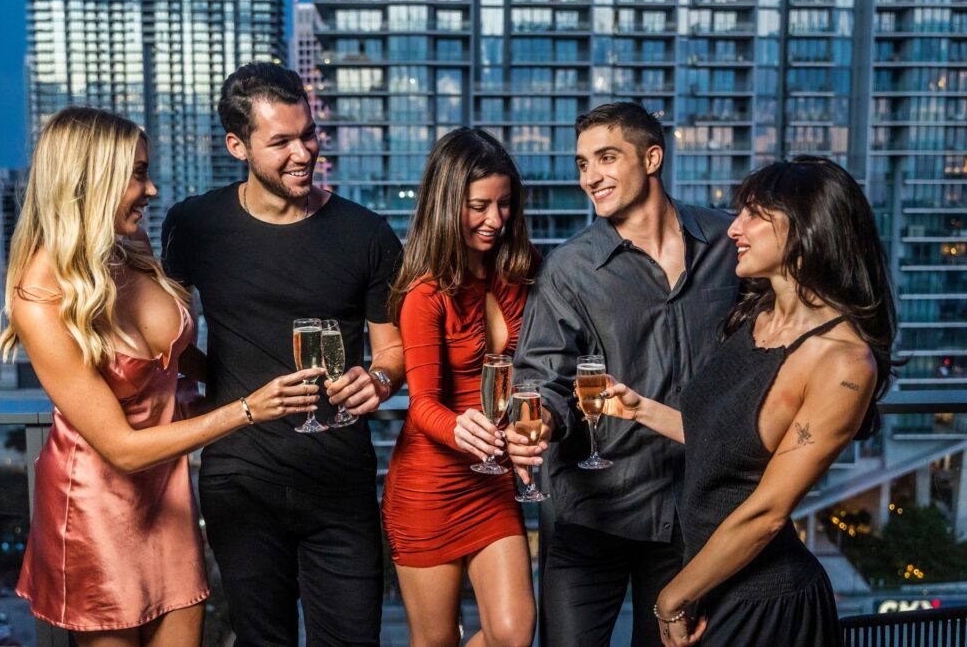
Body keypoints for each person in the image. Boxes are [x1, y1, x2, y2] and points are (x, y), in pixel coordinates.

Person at [0, 107, 318, 646]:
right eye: (138, 174)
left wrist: (255, 378)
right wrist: (247, 409)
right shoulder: (38, 297)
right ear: (89, 180)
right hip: (96, 511)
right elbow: (121, 448)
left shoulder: (130, 248)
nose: (150, 190)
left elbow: (175, 355)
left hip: (168, 496)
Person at [602, 156, 896, 647]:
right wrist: (639, 409)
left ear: (807, 228)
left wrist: (671, 598)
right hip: (711, 584)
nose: (734, 228)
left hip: (768, 606)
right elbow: (725, 442)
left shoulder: (843, 363)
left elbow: (768, 512)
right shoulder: (758, 317)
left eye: (754, 215)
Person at [161, 63, 405, 646]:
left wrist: (381, 378)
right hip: (240, 479)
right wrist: (218, 378)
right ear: (237, 146)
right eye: (281, 142)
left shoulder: (366, 234)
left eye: (309, 134)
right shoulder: (194, 224)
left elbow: (393, 348)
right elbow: (163, 336)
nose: (303, 153)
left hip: (340, 481)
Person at [507, 102, 739, 646]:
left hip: (691, 515)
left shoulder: (729, 244)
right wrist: (537, 418)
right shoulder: (569, 268)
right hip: (592, 513)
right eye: (583, 163)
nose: (591, 177)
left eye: (606, 158)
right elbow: (541, 378)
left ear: (652, 157)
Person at [382, 128, 539, 647]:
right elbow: (422, 402)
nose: (495, 220)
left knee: (514, 636)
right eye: (479, 206)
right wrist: (459, 426)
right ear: (449, 203)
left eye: (505, 205)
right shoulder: (424, 292)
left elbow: (535, 370)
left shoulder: (520, 274)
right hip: (429, 488)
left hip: (491, 485)